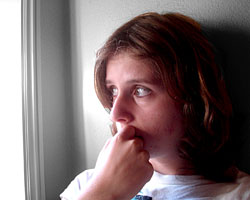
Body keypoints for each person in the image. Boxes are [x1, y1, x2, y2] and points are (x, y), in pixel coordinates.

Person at [60, 12, 250, 200]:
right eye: (113, 91)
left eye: (140, 91)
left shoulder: (240, 194)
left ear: (194, 99)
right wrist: (104, 192)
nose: (116, 114)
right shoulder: (86, 186)